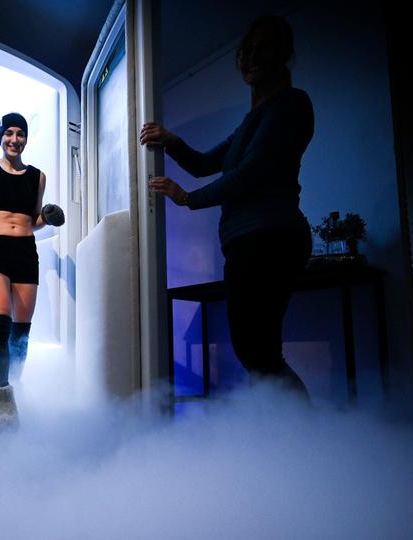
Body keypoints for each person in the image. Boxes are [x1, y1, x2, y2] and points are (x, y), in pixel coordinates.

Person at [140, 15, 313, 400]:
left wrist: (188, 199)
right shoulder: (252, 121)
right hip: (249, 242)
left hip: (271, 238)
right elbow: (204, 163)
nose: (250, 58)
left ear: (283, 54)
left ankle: (299, 430)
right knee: (257, 353)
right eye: (245, 51)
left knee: (259, 353)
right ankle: (284, 428)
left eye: (261, 49)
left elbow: (252, 172)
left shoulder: (291, 104)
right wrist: (170, 141)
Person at [0, 112, 65, 432]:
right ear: (0, 136)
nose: (14, 139)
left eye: (20, 134)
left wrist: (48, 217)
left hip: (24, 252)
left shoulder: (38, 176)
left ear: (25, 139)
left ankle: (14, 389)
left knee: (20, 332)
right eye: (9, 132)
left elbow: (33, 220)